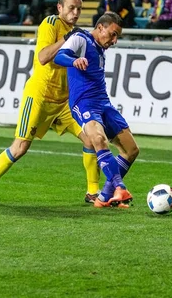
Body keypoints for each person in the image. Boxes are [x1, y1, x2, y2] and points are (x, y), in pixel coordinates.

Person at [0, 0, 101, 204]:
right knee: (21, 147)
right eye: (71, 8)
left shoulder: (78, 33)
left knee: (91, 138)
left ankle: (92, 192)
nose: (76, 13)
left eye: (79, 9)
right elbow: (43, 57)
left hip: (64, 101)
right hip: (40, 96)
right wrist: (66, 39)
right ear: (60, 8)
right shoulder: (50, 23)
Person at [54, 11, 139, 208]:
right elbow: (60, 56)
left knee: (131, 149)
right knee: (98, 139)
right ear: (100, 27)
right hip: (83, 103)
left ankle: (103, 198)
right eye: (113, 34)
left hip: (103, 104)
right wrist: (73, 61)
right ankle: (119, 188)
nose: (115, 40)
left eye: (117, 36)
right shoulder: (80, 38)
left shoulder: (100, 49)